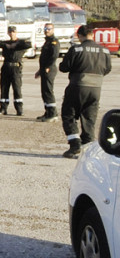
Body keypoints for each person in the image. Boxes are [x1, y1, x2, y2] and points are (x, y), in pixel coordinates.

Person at [60, 24, 112, 158]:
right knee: (89, 118)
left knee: (69, 113)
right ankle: (88, 149)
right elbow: (107, 69)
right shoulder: (105, 51)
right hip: (96, 88)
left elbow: (64, 67)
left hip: (78, 85)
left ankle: (74, 144)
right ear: (92, 35)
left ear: (79, 36)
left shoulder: (76, 49)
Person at [0, 26, 31, 116]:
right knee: (4, 89)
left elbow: (28, 44)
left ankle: (19, 109)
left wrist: (16, 45)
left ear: (16, 32)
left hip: (16, 68)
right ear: (8, 33)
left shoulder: (20, 43)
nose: (12, 33)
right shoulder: (6, 43)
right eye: (10, 32)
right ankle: (3, 108)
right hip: (6, 67)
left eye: (13, 32)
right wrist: (7, 45)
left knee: (17, 89)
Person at [35, 23, 60, 122]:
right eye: (45, 28)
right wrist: (40, 71)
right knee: (44, 92)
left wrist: (48, 67)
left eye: (49, 29)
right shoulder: (47, 42)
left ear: (53, 30)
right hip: (44, 69)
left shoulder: (54, 42)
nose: (47, 30)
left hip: (50, 69)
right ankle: (48, 112)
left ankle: (53, 114)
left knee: (48, 91)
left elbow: (54, 55)